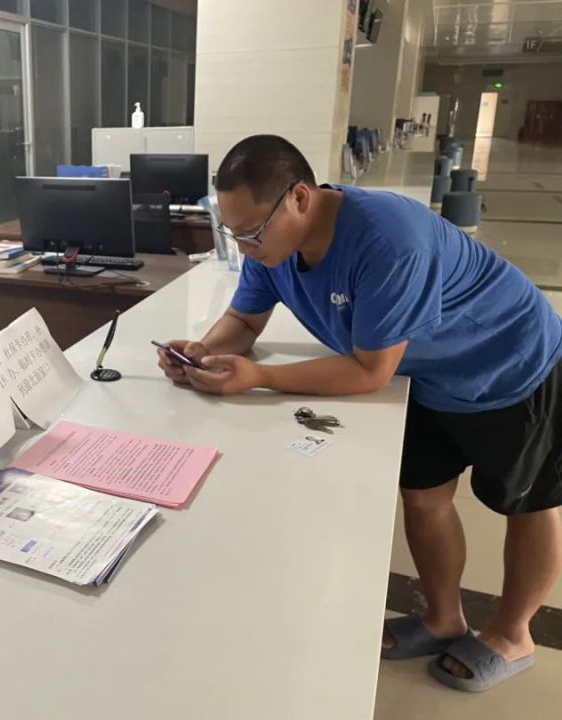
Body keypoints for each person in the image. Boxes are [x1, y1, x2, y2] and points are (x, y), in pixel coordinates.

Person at [158, 134, 562, 693]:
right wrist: (204, 351)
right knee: (424, 497)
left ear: (300, 198)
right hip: (423, 373)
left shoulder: (388, 240)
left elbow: (370, 370)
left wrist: (261, 377)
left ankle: (514, 634)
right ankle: (443, 619)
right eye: (234, 234)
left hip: (507, 361)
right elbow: (245, 322)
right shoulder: (272, 248)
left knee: (529, 503)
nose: (245, 248)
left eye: (251, 233)